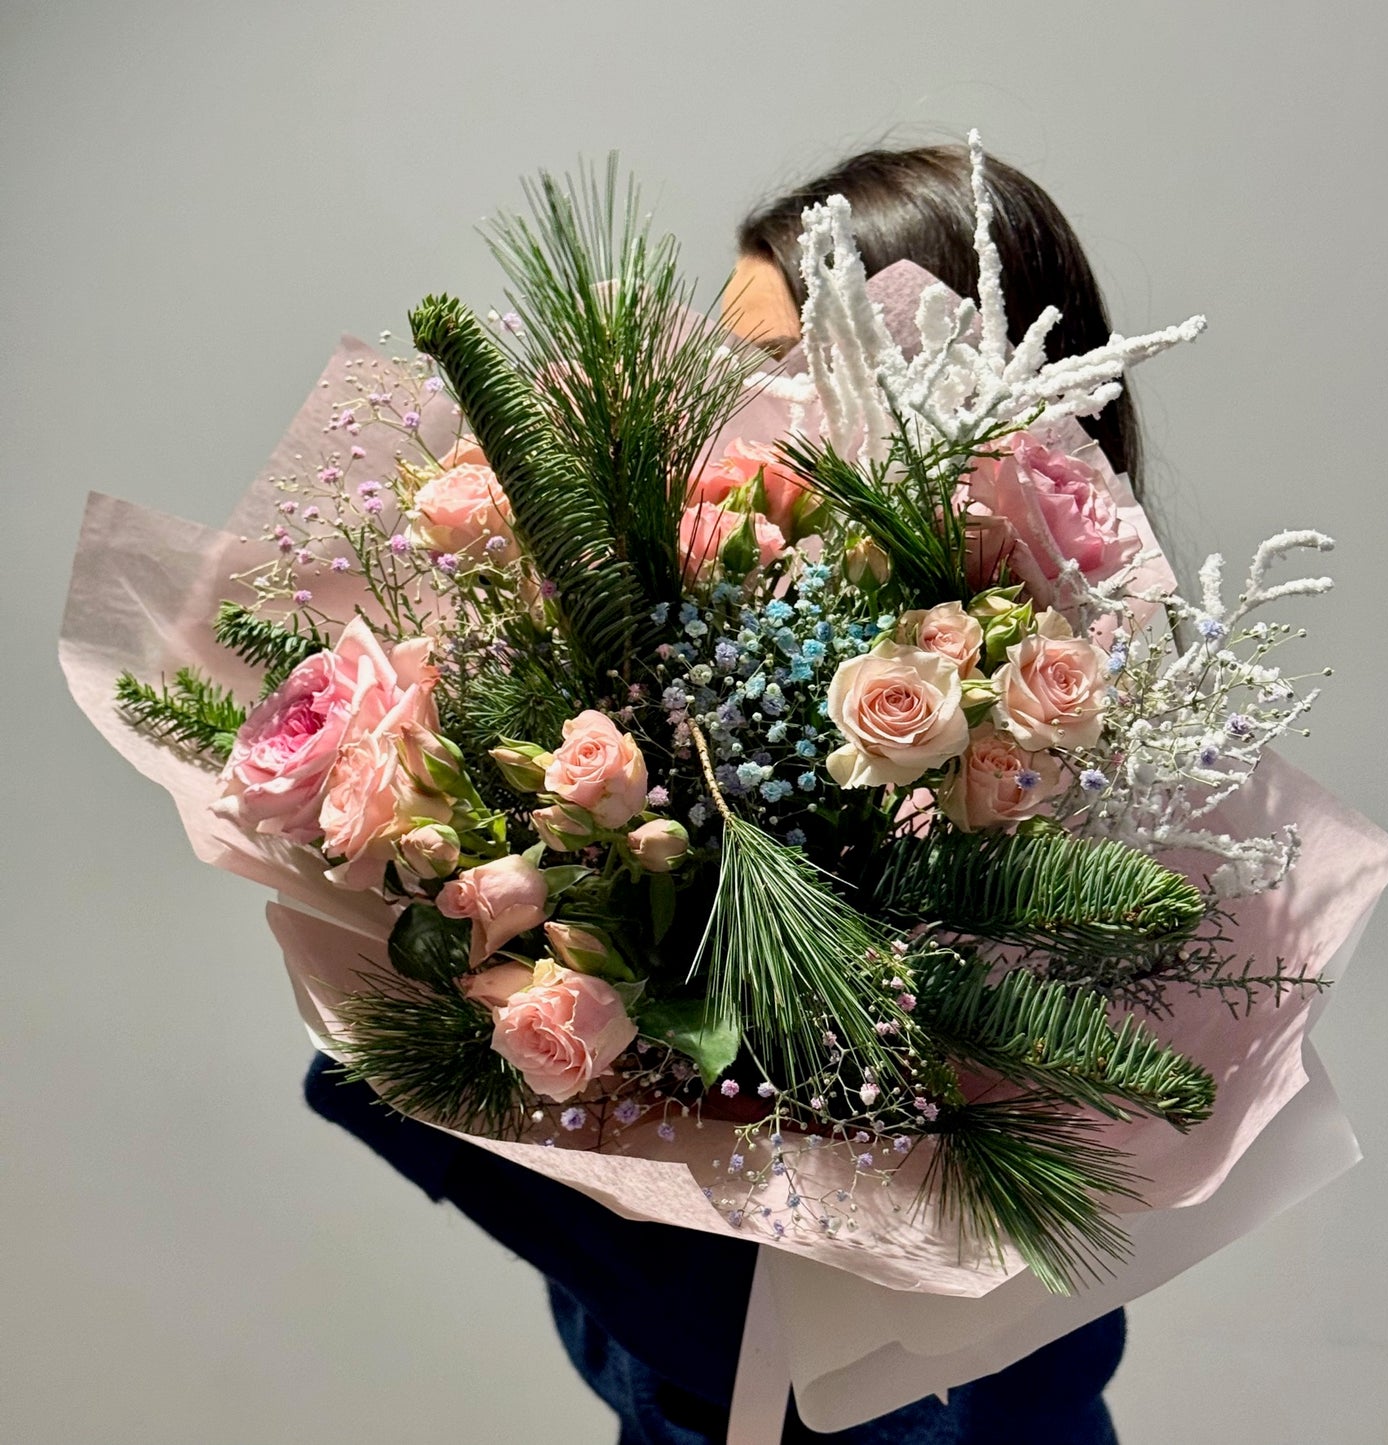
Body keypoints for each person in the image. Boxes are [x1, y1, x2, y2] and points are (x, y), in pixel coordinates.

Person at [305, 141, 1134, 1445]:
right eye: (734, 378)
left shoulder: (1052, 828)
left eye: (788, 381)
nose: (735, 427)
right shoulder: (699, 756)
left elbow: (910, 1372)